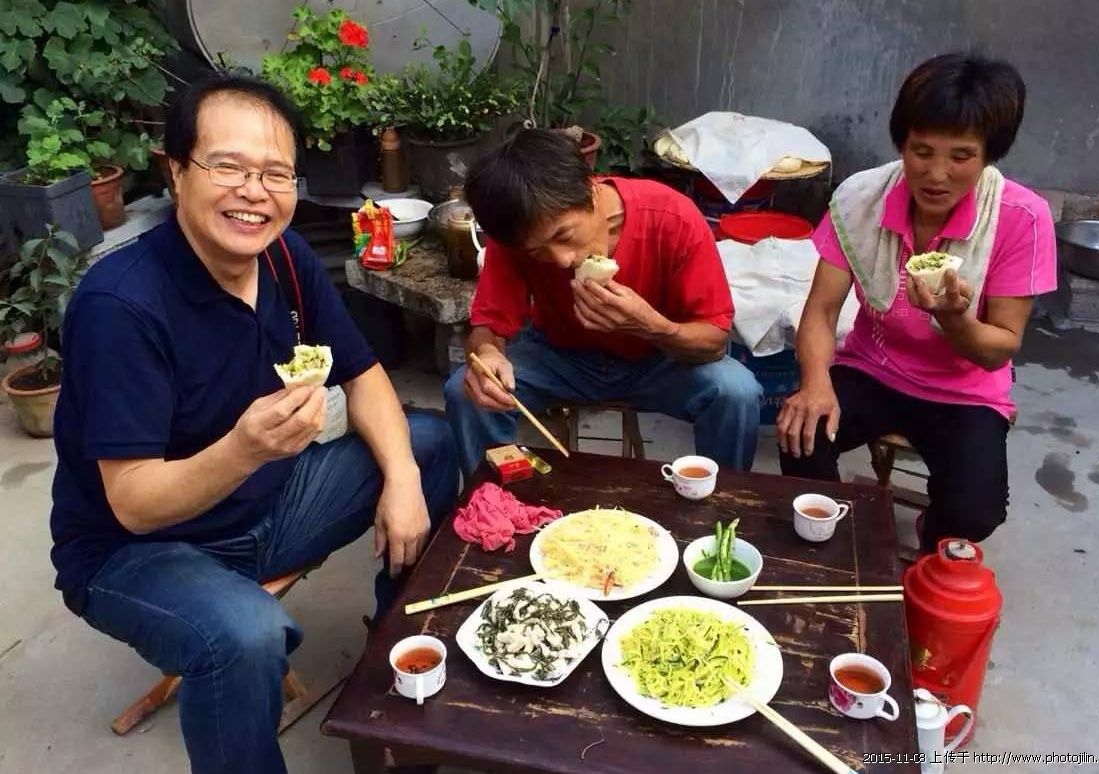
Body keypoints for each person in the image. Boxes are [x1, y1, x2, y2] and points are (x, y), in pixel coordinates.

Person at [48, 75, 459, 774]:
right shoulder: (119, 307)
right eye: (228, 167)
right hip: (137, 551)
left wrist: (401, 482)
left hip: (266, 509)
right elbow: (134, 503)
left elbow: (362, 374)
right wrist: (244, 449)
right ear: (177, 172)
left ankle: (394, 659)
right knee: (244, 634)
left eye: (275, 173)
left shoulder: (283, 257)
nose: (254, 192)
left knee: (425, 445)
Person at [778, 53, 1056, 553]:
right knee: (801, 435)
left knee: (975, 513)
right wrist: (815, 383)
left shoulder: (1021, 217)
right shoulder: (860, 199)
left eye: (961, 157)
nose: (936, 174)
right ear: (901, 143)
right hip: (873, 369)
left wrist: (955, 321)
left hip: (965, 391)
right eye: (921, 151)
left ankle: (932, 533)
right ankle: (836, 545)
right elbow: (822, 309)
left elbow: (1001, 347)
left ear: (989, 155)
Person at [443, 129, 762, 476]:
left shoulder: (673, 217)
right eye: (538, 252)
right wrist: (487, 354)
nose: (562, 260)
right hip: (559, 357)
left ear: (591, 190)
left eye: (564, 235)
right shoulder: (519, 228)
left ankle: (724, 500)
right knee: (466, 391)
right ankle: (493, 501)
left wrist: (653, 327)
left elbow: (714, 340)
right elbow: (487, 326)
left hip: (658, 360)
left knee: (736, 391)